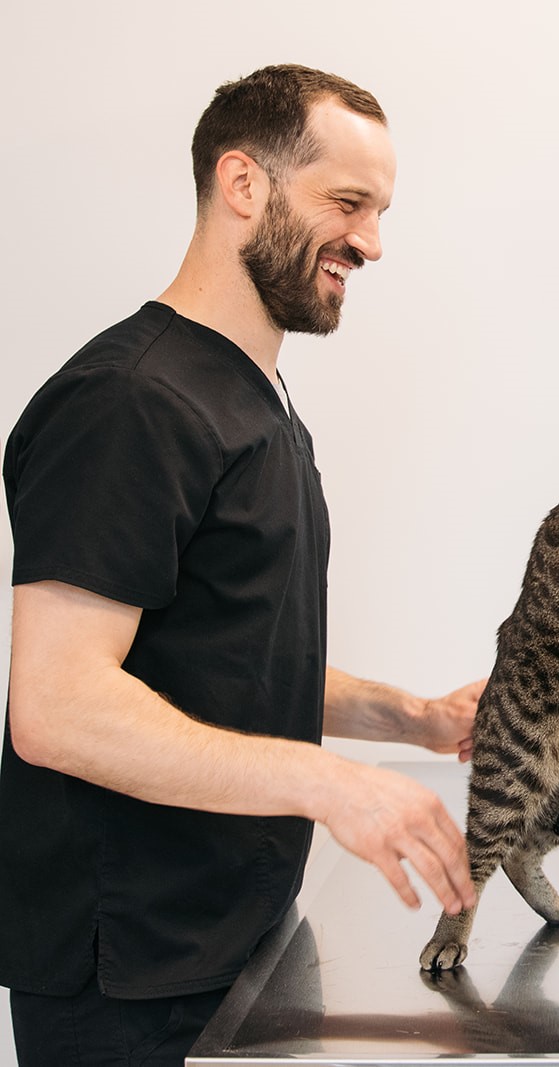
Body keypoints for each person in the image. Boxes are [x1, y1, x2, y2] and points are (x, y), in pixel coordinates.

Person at [2, 64, 483, 1066]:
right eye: (347, 202)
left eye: (381, 211)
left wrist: (415, 719)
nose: (372, 241)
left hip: (233, 948)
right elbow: (56, 705)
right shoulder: (130, 403)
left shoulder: (252, 395)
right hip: (132, 980)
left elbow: (222, 662)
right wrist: (332, 784)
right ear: (245, 185)